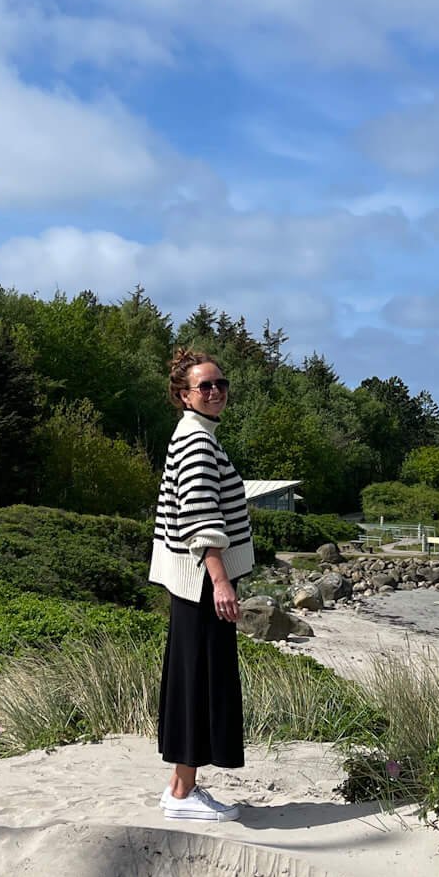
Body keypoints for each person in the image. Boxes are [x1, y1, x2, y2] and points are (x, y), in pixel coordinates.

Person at [150, 348, 254, 822]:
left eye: (220, 384)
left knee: (192, 681)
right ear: (183, 395)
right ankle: (182, 793)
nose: (215, 392)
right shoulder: (195, 440)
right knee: (199, 683)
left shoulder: (198, 435)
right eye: (204, 386)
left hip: (193, 585)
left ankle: (180, 784)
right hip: (200, 584)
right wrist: (220, 581)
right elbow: (199, 517)